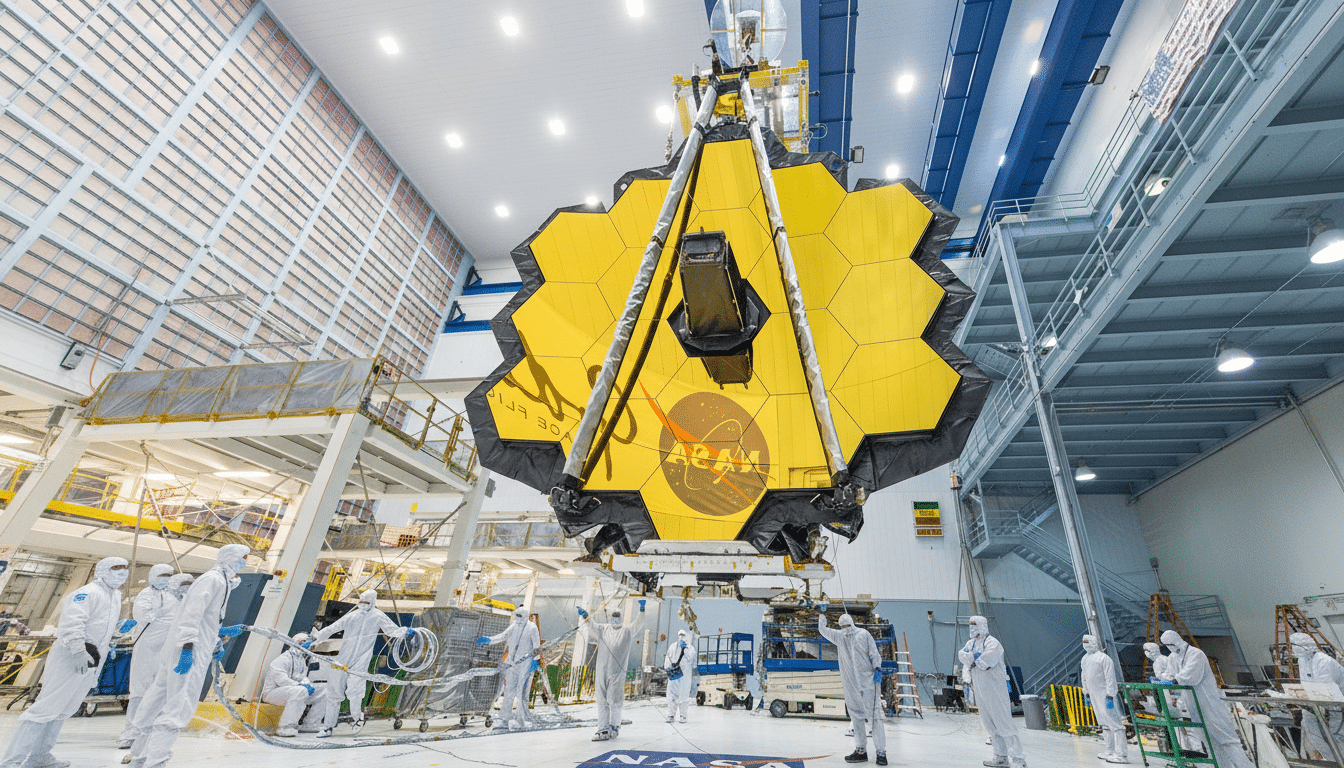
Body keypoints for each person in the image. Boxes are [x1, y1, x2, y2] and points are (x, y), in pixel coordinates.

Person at [126, 544, 249, 768]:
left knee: (155, 702)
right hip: (187, 651)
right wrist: (187, 649)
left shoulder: (219, 581)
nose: (245, 563)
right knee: (178, 706)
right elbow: (191, 616)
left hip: (185, 647)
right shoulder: (213, 580)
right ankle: (156, 761)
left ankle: (139, 756)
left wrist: (215, 640)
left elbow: (206, 620)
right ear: (231, 557)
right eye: (243, 558)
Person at [1, 556, 130, 768]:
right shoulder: (86, 593)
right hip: (71, 657)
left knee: (64, 709)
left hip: (92, 660)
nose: (121, 572)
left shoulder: (115, 596)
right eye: (116, 568)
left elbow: (97, 627)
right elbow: (72, 624)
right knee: (45, 709)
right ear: (103, 570)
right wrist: (78, 651)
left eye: (124, 568)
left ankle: (39, 757)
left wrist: (116, 630)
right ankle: (12, 762)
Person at [309, 588, 410, 735]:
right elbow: (332, 628)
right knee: (333, 692)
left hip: (361, 660)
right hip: (343, 659)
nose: (363, 604)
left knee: (355, 692)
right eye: (361, 602)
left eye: (366, 602)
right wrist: (314, 639)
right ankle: (327, 727)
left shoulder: (378, 616)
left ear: (372, 602)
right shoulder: (352, 616)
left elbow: (391, 630)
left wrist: (405, 631)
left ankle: (357, 719)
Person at [1160, 629, 1254, 768]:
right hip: (1193, 705)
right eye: (1166, 645)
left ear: (1176, 640)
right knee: (1209, 742)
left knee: (1228, 742)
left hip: (1209, 704)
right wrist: (1165, 679)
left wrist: (1174, 680)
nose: (1169, 647)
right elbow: (1168, 674)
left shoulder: (1196, 654)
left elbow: (1190, 677)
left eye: (1170, 644)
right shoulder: (1174, 657)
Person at [817, 605, 886, 765]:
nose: (845, 630)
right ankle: (860, 750)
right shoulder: (840, 637)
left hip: (868, 682)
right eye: (842, 627)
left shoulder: (863, 634)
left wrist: (877, 667)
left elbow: (874, 653)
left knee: (875, 717)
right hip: (851, 685)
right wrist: (821, 613)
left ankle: (881, 753)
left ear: (852, 624)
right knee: (856, 717)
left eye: (846, 626)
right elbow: (823, 630)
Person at [117, 564, 176, 749]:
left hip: (165, 650)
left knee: (158, 693)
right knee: (139, 692)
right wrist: (163, 617)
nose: (165, 578)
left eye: (168, 575)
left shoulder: (171, 596)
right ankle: (130, 734)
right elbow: (146, 616)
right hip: (146, 649)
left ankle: (148, 733)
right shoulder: (145, 595)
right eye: (162, 575)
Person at [959, 615, 1027, 768]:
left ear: (982, 625)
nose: (972, 628)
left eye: (975, 625)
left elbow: (985, 662)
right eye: (970, 625)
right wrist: (973, 659)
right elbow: (962, 656)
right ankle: (1000, 756)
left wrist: (972, 660)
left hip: (995, 689)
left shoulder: (993, 643)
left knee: (1003, 722)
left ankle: (1018, 760)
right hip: (980, 688)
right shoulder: (971, 643)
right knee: (989, 724)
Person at [578, 600, 646, 741]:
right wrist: (586, 617)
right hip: (602, 670)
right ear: (610, 618)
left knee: (615, 701)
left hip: (617, 672)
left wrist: (642, 610)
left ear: (620, 618)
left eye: (617, 617)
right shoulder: (603, 629)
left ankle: (614, 727)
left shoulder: (626, 631)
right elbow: (592, 625)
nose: (615, 619)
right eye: (613, 617)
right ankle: (602, 729)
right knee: (601, 700)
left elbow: (638, 624)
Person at [476, 607, 541, 730]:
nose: (518, 618)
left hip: (525, 664)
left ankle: (522, 719)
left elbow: (536, 646)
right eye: (517, 615)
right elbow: (503, 636)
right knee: (509, 691)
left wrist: (535, 661)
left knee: (522, 692)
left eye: (520, 616)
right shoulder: (514, 626)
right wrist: (490, 640)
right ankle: (505, 718)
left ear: (526, 616)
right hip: (511, 663)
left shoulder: (532, 628)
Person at [262, 632, 328, 737]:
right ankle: (285, 726)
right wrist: (300, 686)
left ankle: (311, 723)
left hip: (294, 691)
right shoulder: (283, 659)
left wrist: (307, 684)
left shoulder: (300, 658)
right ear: (299, 642)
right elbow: (282, 680)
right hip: (272, 693)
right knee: (300, 691)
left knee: (325, 690)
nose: (309, 645)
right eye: (306, 642)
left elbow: (302, 676)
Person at [1290, 633, 1344, 760]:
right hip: (1315, 702)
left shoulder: (1324, 661)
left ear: (1305, 646)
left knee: (1338, 737)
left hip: (1336, 703)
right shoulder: (1302, 660)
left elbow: (1325, 688)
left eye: (1295, 645)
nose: (1292, 649)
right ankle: (1333, 762)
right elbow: (1306, 683)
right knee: (1313, 734)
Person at [1081, 635, 1128, 764]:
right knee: (1104, 724)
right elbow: (1084, 676)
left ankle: (1121, 754)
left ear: (1094, 643)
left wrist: (1110, 695)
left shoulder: (1104, 659)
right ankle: (1110, 750)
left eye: (1087, 642)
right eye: (1084, 642)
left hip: (1105, 696)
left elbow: (1110, 678)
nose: (1085, 645)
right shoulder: (1085, 659)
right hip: (1094, 696)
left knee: (1116, 725)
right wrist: (1086, 692)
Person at [663, 628, 694, 724]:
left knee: (683, 696)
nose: (681, 637)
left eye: (683, 635)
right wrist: (668, 667)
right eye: (680, 634)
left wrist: (685, 650)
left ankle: (683, 716)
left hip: (684, 676)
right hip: (674, 675)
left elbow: (691, 659)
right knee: (671, 696)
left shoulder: (690, 648)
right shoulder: (672, 647)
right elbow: (667, 657)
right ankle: (671, 715)